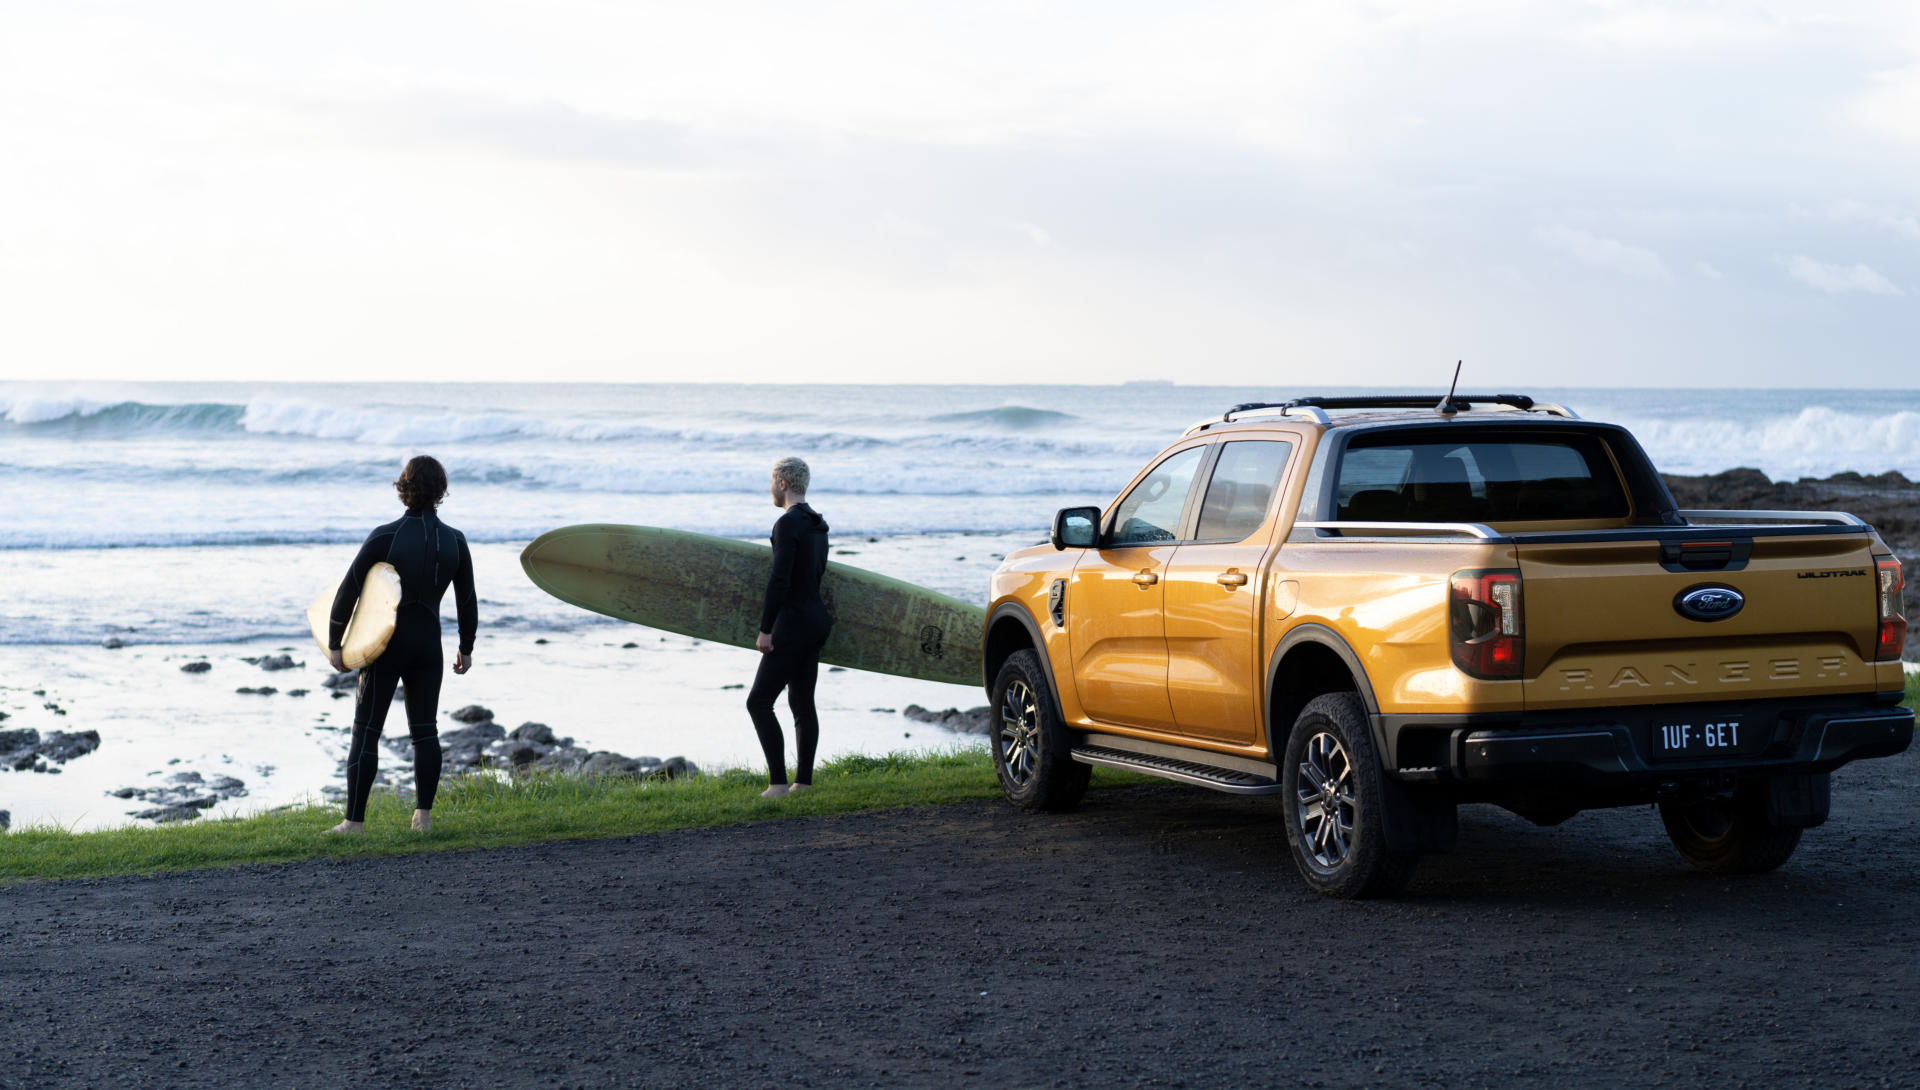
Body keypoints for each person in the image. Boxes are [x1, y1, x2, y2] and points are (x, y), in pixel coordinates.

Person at [325, 455, 478, 834]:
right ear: (441, 491)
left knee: (367, 729)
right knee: (425, 731)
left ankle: (354, 823)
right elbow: (467, 600)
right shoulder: (455, 541)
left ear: (403, 487)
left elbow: (348, 590)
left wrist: (335, 642)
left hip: (387, 645)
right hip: (429, 646)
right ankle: (422, 818)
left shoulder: (385, 535)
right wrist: (467, 646)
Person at [748, 455, 832, 798]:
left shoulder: (786, 524)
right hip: (816, 620)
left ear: (782, 483)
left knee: (759, 702)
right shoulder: (818, 523)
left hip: (793, 622)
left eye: (771, 482)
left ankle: (778, 784)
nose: (770, 488)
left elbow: (779, 579)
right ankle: (804, 784)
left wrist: (766, 629)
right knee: (801, 702)